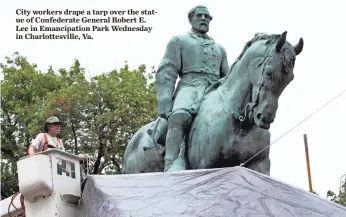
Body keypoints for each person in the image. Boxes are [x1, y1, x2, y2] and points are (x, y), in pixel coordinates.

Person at [155, 5, 230, 172]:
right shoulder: (179, 41)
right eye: (199, 15)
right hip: (190, 86)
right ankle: (171, 164)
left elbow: (227, 76)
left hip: (215, 89)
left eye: (207, 16)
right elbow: (167, 71)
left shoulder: (220, 49)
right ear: (191, 19)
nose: (204, 18)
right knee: (180, 115)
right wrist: (165, 99)